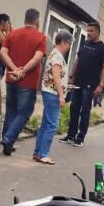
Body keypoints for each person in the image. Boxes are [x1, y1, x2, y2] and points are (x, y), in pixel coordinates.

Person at [0, 8, 47, 155]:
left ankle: (8, 144)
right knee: (24, 112)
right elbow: (37, 57)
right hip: (27, 82)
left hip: (11, 78)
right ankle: (8, 138)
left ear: (25, 20)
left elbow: (2, 52)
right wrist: (23, 72)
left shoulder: (13, 34)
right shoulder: (40, 37)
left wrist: (14, 69)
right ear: (37, 22)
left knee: (11, 111)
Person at [59, 22, 104, 147]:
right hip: (78, 83)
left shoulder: (103, 48)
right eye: (88, 31)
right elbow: (77, 60)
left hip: (90, 85)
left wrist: (101, 85)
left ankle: (80, 138)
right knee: (74, 109)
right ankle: (71, 135)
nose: (89, 33)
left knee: (85, 111)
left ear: (98, 32)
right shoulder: (85, 43)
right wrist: (71, 76)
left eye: (91, 31)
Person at [33, 30, 73, 165]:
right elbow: (56, 76)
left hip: (49, 91)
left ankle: (38, 152)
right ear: (62, 42)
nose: (69, 46)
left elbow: (57, 76)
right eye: (68, 43)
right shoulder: (57, 56)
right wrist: (62, 95)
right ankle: (43, 154)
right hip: (53, 93)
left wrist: (66, 86)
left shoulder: (54, 54)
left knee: (45, 124)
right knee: (52, 124)